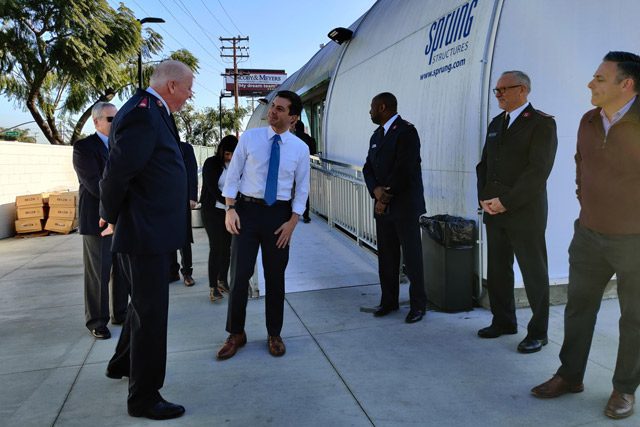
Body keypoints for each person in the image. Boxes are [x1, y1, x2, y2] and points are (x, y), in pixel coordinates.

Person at [532, 51, 640, 420]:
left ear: (626, 84)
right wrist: (587, 204)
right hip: (589, 235)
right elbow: (582, 166)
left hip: (635, 241)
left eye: (599, 78)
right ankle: (569, 375)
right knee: (578, 309)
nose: (590, 84)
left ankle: (624, 389)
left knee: (635, 318)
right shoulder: (588, 121)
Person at [99, 60, 193, 420]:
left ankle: (121, 364)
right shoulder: (143, 112)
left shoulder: (153, 109)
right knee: (151, 315)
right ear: (171, 86)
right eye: (187, 89)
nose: (188, 96)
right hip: (144, 233)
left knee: (141, 307)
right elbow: (118, 171)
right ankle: (144, 398)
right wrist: (109, 214)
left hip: (151, 230)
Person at [216, 90, 310, 360]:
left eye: (280, 109)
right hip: (246, 211)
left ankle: (274, 333)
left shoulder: (300, 149)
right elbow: (233, 176)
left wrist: (292, 222)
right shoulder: (251, 138)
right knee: (239, 276)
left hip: (279, 216)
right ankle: (236, 333)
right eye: (272, 106)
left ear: (292, 117)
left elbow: (302, 189)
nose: (272, 111)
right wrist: (230, 209)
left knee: (275, 277)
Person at [476, 71, 558, 354]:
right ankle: (503, 321)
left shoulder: (541, 123)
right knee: (498, 270)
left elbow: (538, 171)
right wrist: (484, 199)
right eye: (496, 91)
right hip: (494, 210)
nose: (497, 95)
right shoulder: (497, 123)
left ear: (522, 90)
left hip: (525, 211)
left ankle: (538, 332)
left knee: (534, 272)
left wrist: (507, 201)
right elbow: (484, 165)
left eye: (502, 90)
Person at [363, 92, 427, 324]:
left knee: (412, 258)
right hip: (383, 207)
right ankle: (388, 301)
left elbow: (404, 169)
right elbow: (368, 167)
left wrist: (384, 197)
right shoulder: (377, 135)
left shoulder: (407, 132)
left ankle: (418, 305)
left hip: (404, 206)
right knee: (387, 257)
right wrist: (375, 191)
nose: (369, 112)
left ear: (382, 107)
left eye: (371, 107)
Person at [72, 102, 128, 340]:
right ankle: (97, 320)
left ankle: (120, 312)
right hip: (97, 220)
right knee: (99, 272)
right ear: (96, 122)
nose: (115, 123)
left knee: (122, 269)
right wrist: (122, 198)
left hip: (122, 217)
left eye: (117, 119)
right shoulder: (84, 148)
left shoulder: (122, 146)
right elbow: (94, 183)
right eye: (110, 119)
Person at [200, 135, 238, 302]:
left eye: (233, 154)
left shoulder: (238, 165)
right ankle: (212, 286)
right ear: (222, 151)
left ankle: (222, 280)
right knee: (216, 247)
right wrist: (229, 204)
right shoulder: (211, 163)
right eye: (227, 154)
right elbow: (212, 188)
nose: (229, 157)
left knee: (227, 247)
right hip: (212, 211)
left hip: (230, 212)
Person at [170, 140, 197, 287]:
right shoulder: (154, 145)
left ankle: (187, 273)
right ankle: (171, 272)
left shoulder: (185, 148)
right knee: (165, 238)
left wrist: (192, 197)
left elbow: (192, 171)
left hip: (182, 200)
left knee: (184, 238)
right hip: (163, 200)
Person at [291, 120, 317, 223]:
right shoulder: (310, 139)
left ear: (295, 127)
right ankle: (306, 215)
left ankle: (291, 213)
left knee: (290, 190)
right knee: (303, 190)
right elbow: (313, 152)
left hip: (292, 167)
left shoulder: (291, 138)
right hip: (304, 167)